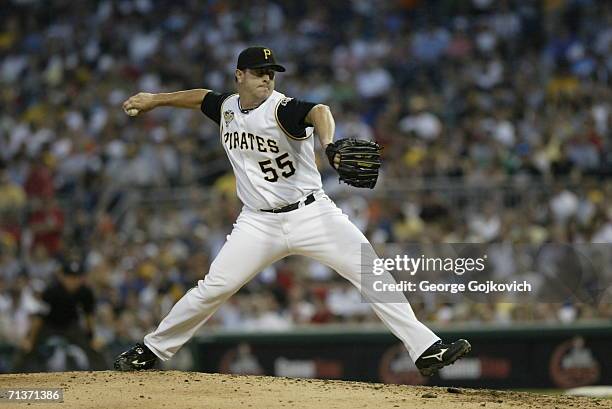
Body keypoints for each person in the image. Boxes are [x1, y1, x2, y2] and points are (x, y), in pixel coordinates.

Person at [114, 46, 470, 376]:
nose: (267, 78)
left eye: (271, 72)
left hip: (312, 215)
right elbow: (201, 98)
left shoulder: (282, 108)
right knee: (213, 288)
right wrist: (155, 100)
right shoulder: (226, 108)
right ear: (239, 76)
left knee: (370, 270)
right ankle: (152, 349)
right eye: (258, 72)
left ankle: (425, 349)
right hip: (257, 222)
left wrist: (328, 144)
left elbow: (320, 111)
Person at [13, 259, 106, 372]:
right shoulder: (51, 291)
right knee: (26, 348)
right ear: (62, 276)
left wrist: (93, 337)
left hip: (71, 326)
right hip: (49, 325)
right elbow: (39, 317)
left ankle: (108, 375)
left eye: (77, 277)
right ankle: (11, 376)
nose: (73, 281)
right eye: (70, 277)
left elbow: (89, 316)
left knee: (95, 348)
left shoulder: (85, 292)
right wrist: (30, 339)